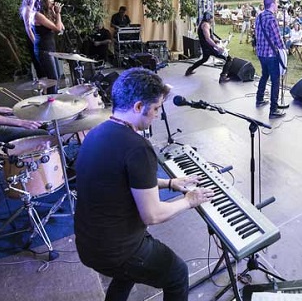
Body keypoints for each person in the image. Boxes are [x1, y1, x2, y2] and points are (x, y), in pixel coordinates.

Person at [74, 68, 214, 301]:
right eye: (156, 108)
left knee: (128, 274)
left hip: (89, 243)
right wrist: (189, 200)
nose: (158, 115)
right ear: (138, 107)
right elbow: (153, 215)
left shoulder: (97, 132)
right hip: (117, 250)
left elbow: (122, 180)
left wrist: (169, 183)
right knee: (177, 273)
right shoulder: (137, 147)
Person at [255, 0, 287, 119]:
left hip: (261, 53)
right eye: (277, 3)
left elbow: (257, 34)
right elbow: (277, 38)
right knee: (275, 80)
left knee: (264, 75)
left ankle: (259, 98)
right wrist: (284, 49)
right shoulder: (271, 18)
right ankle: (273, 109)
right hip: (270, 54)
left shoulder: (259, 16)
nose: (278, 5)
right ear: (273, 4)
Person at [184, 12, 233, 83]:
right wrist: (217, 47)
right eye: (211, 18)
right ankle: (223, 76)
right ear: (209, 18)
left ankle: (189, 70)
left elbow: (208, 38)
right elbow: (207, 38)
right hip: (209, 48)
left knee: (204, 59)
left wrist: (219, 41)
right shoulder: (206, 25)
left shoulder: (203, 24)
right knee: (229, 59)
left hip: (206, 47)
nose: (212, 20)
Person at [32, 0, 64, 94]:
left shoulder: (46, 13)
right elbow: (57, 29)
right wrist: (58, 13)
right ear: (42, 0)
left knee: (56, 77)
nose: (52, 0)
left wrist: (55, 13)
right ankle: (51, 102)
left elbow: (62, 27)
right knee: (52, 79)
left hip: (50, 49)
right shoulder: (37, 15)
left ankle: (53, 100)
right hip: (44, 50)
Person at [19, 0, 42, 78]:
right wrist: (36, 43)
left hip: (37, 37)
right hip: (33, 38)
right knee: (39, 64)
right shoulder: (27, 9)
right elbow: (28, 28)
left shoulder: (34, 8)